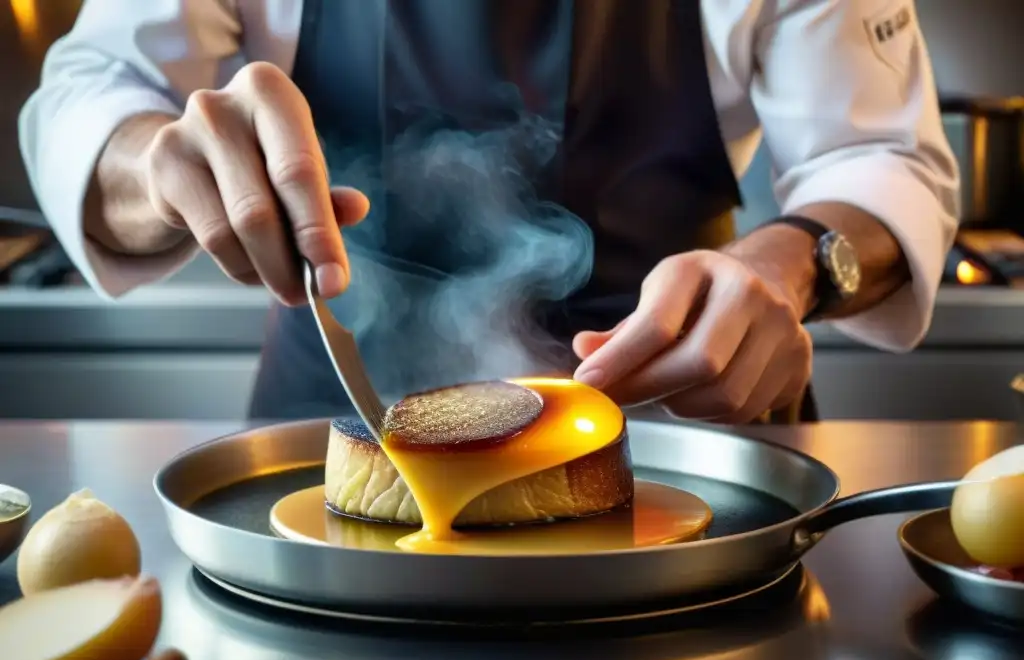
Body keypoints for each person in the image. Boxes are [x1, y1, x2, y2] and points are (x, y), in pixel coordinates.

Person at [20, 0, 959, 423]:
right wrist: (157, 161)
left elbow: (880, 157)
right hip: (333, 447)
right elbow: (94, 92)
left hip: (686, 448)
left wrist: (783, 270)